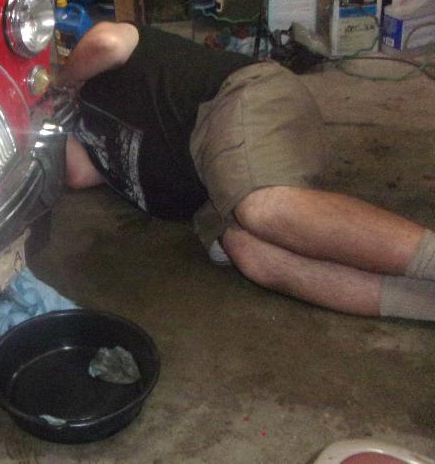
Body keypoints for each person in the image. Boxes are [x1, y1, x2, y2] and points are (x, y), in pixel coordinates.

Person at [55, 21, 435, 321]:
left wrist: (61, 80)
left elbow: (106, 42)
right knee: (251, 255)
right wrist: (43, 114)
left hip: (234, 100)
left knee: (262, 208)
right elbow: (78, 174)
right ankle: (422, 306)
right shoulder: (86, 137)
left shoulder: (104, 57)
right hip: (212, 191)